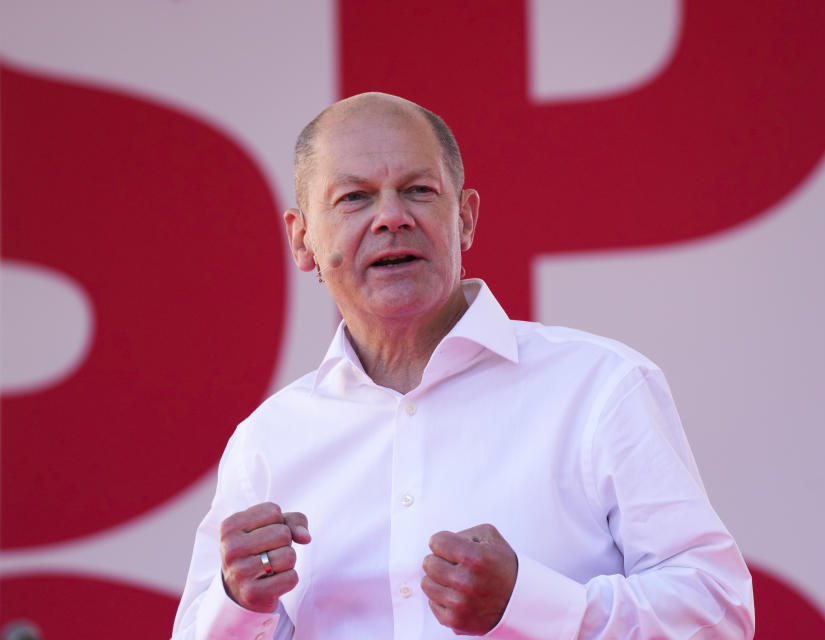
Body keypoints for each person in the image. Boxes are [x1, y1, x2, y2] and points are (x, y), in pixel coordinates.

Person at [171, 92, 755, 639]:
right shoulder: (268, 442)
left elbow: (718, 610)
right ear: (302, 241)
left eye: (419, 191)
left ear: (466, 218)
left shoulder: (600, 388)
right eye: (354, 198)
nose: (391, 218)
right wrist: (237, 603)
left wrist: (529, 603)